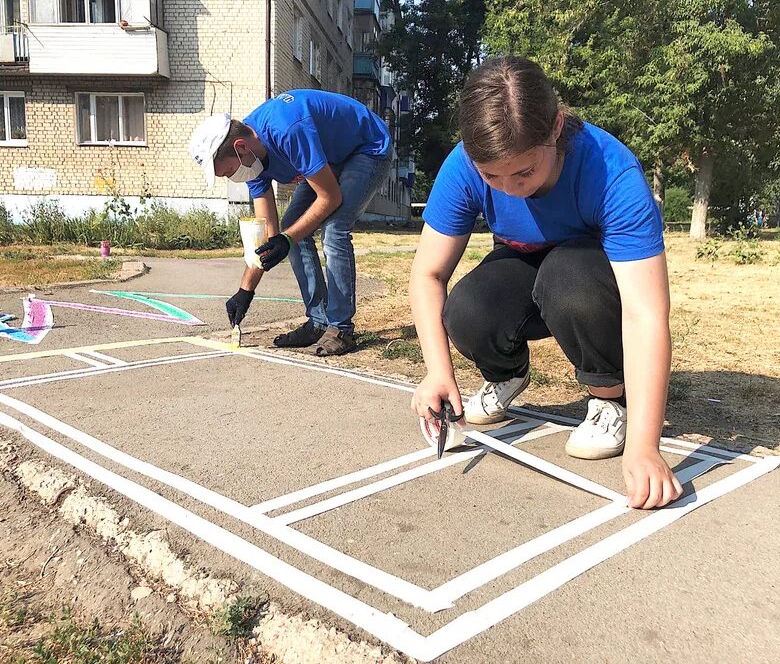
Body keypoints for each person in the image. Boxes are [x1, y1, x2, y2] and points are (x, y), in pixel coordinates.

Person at [409, 56, 683, 509]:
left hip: (589, 273)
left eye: (524, 172)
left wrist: (645, 445)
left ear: (556, 127)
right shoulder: (463, 164)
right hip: (521, 260)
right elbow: (428, 274)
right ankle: (506, 374)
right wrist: (437, 371)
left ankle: (611, 399)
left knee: (568, 280)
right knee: (467, 307)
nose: (508, 187)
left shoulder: (612, 173)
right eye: (491, 176)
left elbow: (646, 313)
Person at [188, 90, 393, 355]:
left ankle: (341, 329)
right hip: (328, 157)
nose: (230, 178)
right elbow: (268, 238)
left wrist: (286, 239)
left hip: (366, 147)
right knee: (291, 228)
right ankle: (319, 321)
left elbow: (329, 198)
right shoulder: (250, 160)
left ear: (240, 148)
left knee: (333, 229)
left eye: (227, 171)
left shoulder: (286, 130)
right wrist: (245, 291)